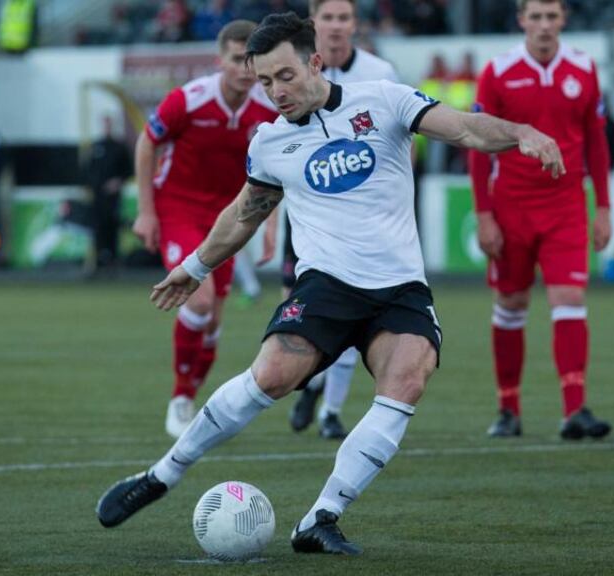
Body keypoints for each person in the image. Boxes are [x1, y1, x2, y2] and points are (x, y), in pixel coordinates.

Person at [95, 11, 564, 554]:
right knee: (270, 376)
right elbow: (245, 213)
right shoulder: (270, 142)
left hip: (399, 289)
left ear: (315, 62)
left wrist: (522, 132)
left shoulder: (384, 100)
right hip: (327, 286)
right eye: (265, 81)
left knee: (409, 377)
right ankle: (161, 475)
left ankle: (321, 517)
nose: (275, 92)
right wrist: (195, 266)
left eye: (285, 76)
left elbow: (464, 127)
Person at [468, 0, 612, 440]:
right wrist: (484, 214)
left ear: (563, 19)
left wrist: (603, 206)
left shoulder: (584, 69)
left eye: (552, 16)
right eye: (537, 16)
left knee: (569, 296)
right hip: (511, 207)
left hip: (567, 205)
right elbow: (477, 141)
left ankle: (574, 409)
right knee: (511, 305)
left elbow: (596, 143)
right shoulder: (498, 71)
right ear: (522, 20)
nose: (545, 25)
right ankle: (508, 409)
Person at [131, 20, 278, 439]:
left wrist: (268, 225)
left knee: (212, 321)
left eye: (250, 60)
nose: (244, 69)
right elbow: (147, 143)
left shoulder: (267, 110)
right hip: (178, 208)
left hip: (230, 218)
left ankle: (190, 396)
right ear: (221, 60)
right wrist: (146, 210)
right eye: (236, 59)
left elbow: (275, 171)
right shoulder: (189, 100)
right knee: (198, 300)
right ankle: (179, 398)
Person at [284, 0, 401, 441]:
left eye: (343, 17)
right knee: (302, 314)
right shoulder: (295, 72)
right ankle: (311, 384)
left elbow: (400, 136)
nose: (335, 26)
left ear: (355, 24)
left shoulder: (380, 73)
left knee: (356, 309)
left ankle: (331, 410)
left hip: (364, 217)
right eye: (327, 18)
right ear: (314, 24)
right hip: (309, 215)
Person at [84, 115, 132, 272]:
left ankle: (113, 259)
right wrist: (92, 186)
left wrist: (118, 182)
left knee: (113, 226)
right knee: (98, 227)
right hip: (97, 196)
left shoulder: (119, 147)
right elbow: (87, 170)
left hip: (113, 197)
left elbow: (128, 170)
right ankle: (99, 260)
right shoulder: (95, 146)